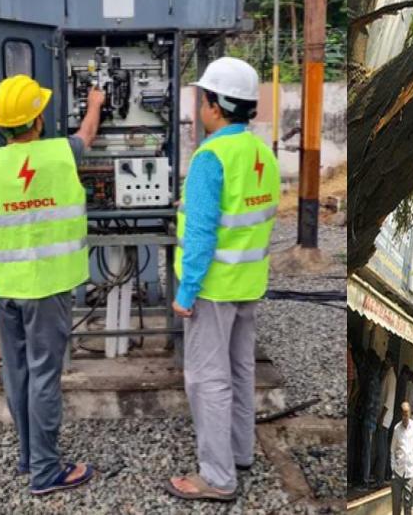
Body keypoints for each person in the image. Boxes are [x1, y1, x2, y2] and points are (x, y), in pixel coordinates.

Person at [0, 75, 103, 495]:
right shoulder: (60, 153)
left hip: (8, 287)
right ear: (37, 119)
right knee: (44, 377)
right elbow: (87, 134)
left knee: (17, 373)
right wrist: (95, 102)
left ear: (1, 125)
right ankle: (46, 471)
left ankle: (27, 455)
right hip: (48, 288)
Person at [166, 57, 281, 501]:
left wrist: (186, 289)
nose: (200, 104)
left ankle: (217, 477)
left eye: (203, 97)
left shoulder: (211, 157)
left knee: (206, 379)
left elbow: (199, 233)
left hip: (213, 288)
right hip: (248, 284)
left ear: (215, 104)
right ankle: (239, 451)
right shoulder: (262, 154)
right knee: (238, 371)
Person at [390, 402, 413, 515]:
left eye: (407, 415)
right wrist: (393, 468)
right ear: (401, 414)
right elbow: (392, 450)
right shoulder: (397, 429)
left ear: (410, 414)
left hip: (410, 472)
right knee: (396, 505)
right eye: (403, 414)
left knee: (408, 504)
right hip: (398, 472)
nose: (405, 417)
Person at [361, 353, 386, 487]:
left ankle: (365, 480)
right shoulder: (377, 381)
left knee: (367, 450)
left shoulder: (372, 381)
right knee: (368, 450)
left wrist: (362, 407)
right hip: (373, 421)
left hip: (368, 420)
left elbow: (370, 403)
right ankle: (366, 477)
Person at [374, 355, 397, 487]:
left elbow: (388, 400)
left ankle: (379, 479)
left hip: (384, 419)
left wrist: (381, 417)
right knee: (381, 449)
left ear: (391, 361)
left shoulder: (391, 377)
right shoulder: (388, 375)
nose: (385, 361)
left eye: (388, 359)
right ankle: (379, 478)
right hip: (384, 417)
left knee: (382, 450)